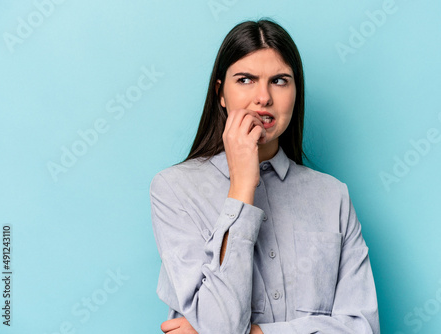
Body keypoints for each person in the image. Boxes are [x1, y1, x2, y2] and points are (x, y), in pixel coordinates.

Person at [149, 18, 380, 334]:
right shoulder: (174, 189)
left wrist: (257, 333)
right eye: (245, 80)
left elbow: (362, 328)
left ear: (296, 91)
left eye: (280, 81)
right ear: (221, 93)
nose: (263, 98)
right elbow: (222, 326)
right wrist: (242, 185)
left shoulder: (332, 195)